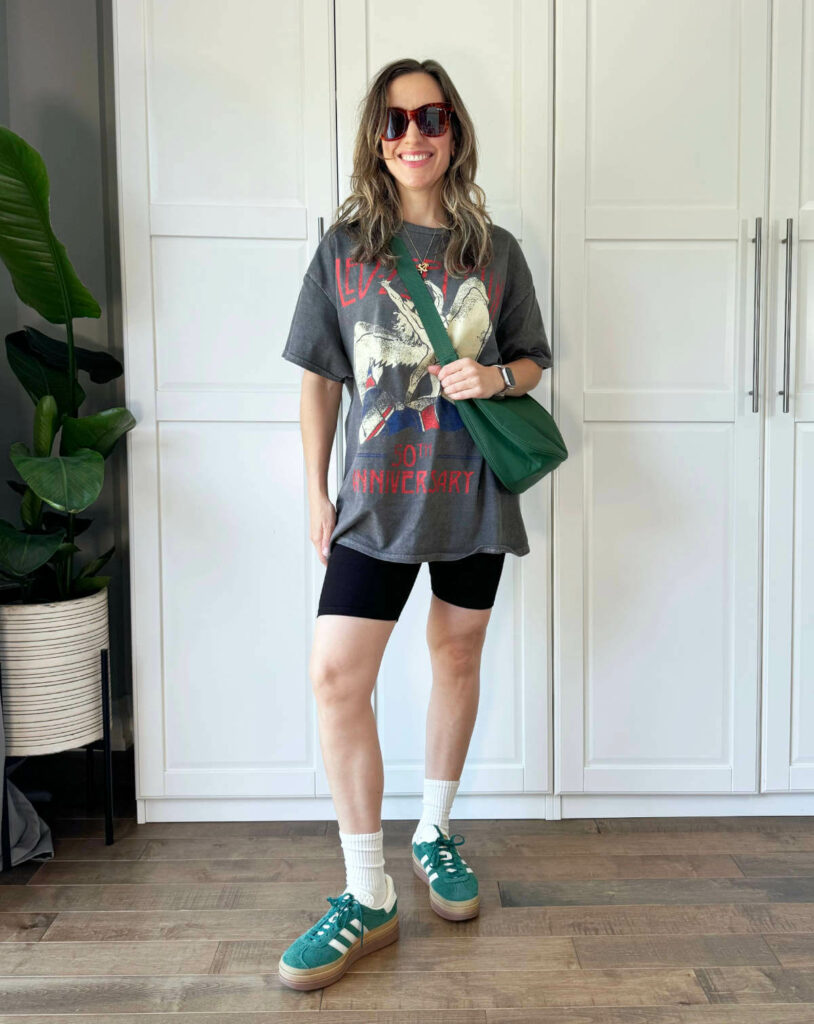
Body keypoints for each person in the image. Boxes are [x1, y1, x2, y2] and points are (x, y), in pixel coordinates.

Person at [277, 57, 552, 992]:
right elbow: (319, 375)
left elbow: (532, 364)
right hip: (376, 496)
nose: (414, 135)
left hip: (472, 490)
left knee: (458, 656)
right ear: (377, 139)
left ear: (454, 130)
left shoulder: (497, 250)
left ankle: (435, 829)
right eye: (395, 122)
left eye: (430, 116)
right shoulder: (344, 247)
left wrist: (496, 376)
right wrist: (316, 491)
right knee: (335, 675)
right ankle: (367, 890)